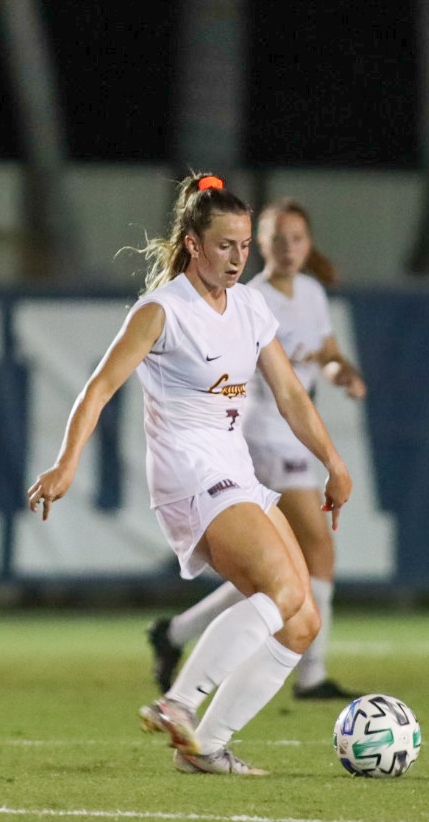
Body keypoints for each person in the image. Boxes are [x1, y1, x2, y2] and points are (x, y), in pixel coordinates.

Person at [25, 174, 352, 775]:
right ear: (194, 245)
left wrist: (332, 461)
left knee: (302, 619)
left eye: (245, 245)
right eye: (225, 245)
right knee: (281, 593)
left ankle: (206, 748)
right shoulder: (162, 310)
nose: (237, 258)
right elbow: (99, 389)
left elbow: (291, 396)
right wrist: (66, 462)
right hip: (188, 473)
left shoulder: (250, 306)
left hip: (234, 469)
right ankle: (177, 702)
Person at [146, 197, 368, 700]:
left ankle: (176, 633)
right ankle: (308, 674)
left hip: (290, 437)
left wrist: (343, 372)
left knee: (281, 572)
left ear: (309, 245)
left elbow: (325, 356)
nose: (287, 248)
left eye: (297, 238)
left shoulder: (310, 293)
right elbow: (279, 386)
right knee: (315, 555)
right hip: (261, 438)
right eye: (276, 238)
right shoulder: (248, 295)